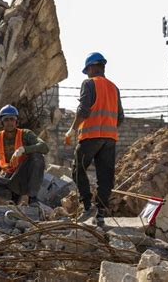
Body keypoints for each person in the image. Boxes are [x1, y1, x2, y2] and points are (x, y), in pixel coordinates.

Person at [65, 52, 124, 225]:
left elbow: (83, 110)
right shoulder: (114, 88)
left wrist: (72, 130)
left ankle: (87, 204)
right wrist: (108, 128)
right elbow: (120, 117)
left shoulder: (89, 83)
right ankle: (100, 213)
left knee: (78, 169)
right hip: (109, 139)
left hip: (90, 136)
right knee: (105, 177)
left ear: (91, 68)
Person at [0, 105, 49, 205]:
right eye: (6, 120)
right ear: (2, 122)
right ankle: (11, 197)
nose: (10, 123)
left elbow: (44, 147)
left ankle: (32, 198)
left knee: (37, 157)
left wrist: (23, 149)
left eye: (12, 119)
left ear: (16, 121)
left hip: (22, 175)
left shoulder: (26, 134)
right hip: (7, 177)